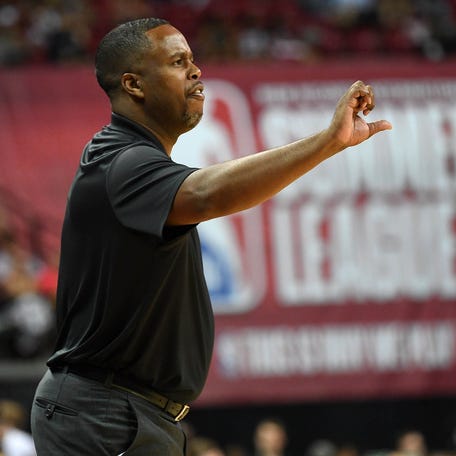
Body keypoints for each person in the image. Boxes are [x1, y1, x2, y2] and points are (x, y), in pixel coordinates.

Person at [30, 17, 392, 456]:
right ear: (134, 84)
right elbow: (207, 194)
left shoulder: (131, 160)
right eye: (178, 61)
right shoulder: (120, 163)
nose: (196, 71)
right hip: (105, 414)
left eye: (193, 59)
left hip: (131, 413)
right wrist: (326, 142)